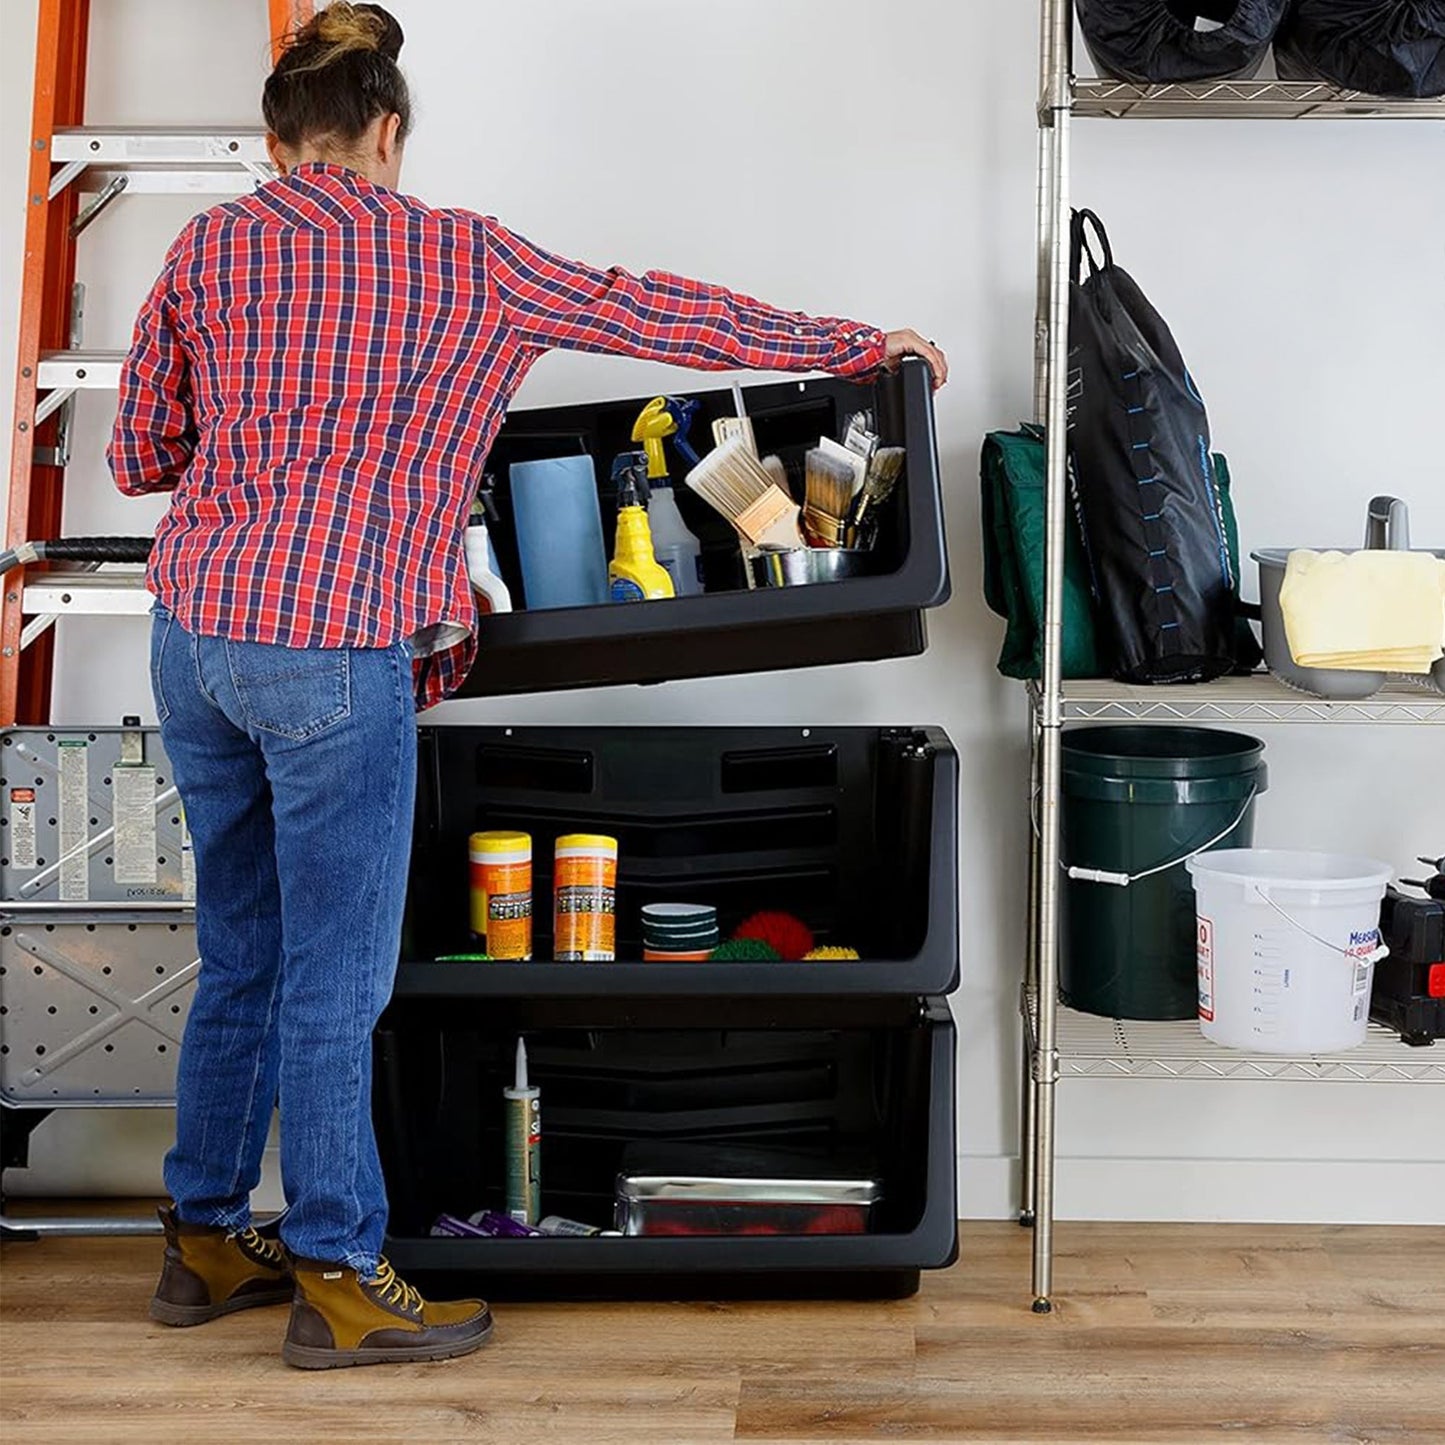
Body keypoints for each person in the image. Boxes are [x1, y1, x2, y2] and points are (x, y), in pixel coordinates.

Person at [109, 1, 948, 1371]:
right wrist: (860, 344)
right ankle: (333, 1265)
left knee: (246, 952)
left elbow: (142, 459)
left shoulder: (208, 246)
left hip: (199, 637)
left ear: (277, 141)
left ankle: (202, 1233)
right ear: (389, 130)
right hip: (335, 648)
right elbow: (661, 309)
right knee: (335, 981)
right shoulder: (467, 256)